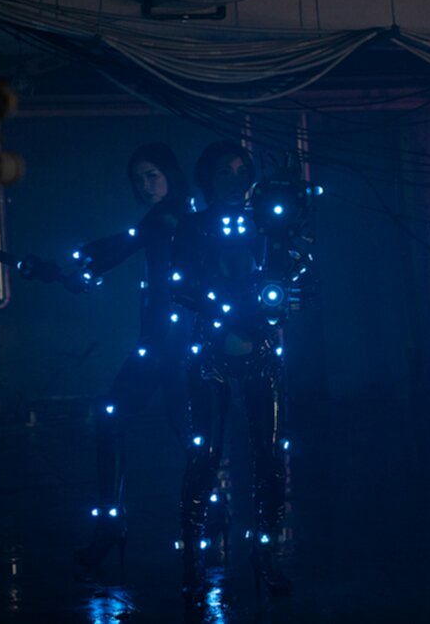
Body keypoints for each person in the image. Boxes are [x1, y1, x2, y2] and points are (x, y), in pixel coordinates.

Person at [170, 140, 315, 600]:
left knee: (269, 456)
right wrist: (224, 311)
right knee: (205, 455)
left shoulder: (267, 224)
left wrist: (292, 270)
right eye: (223, 172)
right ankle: (193, 557)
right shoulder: (192, 227)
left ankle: (265, 552)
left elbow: (296, 275)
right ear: (207, 178)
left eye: (240, 171)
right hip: (210, 352)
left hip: (260, 350)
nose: (233, 180)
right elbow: (180, 287)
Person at [68, 142, 192, 572]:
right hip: (164, 343)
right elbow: (126, 244)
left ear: (170, 173)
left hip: (175, 346)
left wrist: (77, 265)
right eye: (139, 179)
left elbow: (124, 244)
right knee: (185, 432)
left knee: (186, 432)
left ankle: (113, 528)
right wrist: (78, 266)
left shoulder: (172, 217)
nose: (145, 185)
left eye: (152, 175)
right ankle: (207, 516)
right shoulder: (165, 217)